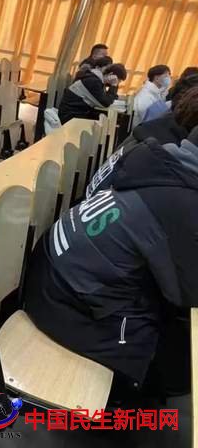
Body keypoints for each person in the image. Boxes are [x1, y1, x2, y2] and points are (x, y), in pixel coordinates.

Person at [25, 86, 198, 401]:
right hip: (68, 304)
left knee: (173, 343)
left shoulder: (165, 161)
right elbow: (187, 292)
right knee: (173, 366)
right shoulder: (182, 201)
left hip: (50, 277)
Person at [58, 58, 127, 125]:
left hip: (76, 113)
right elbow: (105, 103)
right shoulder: (94, 81)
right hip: (70, 116)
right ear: (111, 74)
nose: (117, 83)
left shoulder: (96, 78)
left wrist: (113, 87)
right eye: (118, 80)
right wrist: (113, 86)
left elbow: (108, 98)